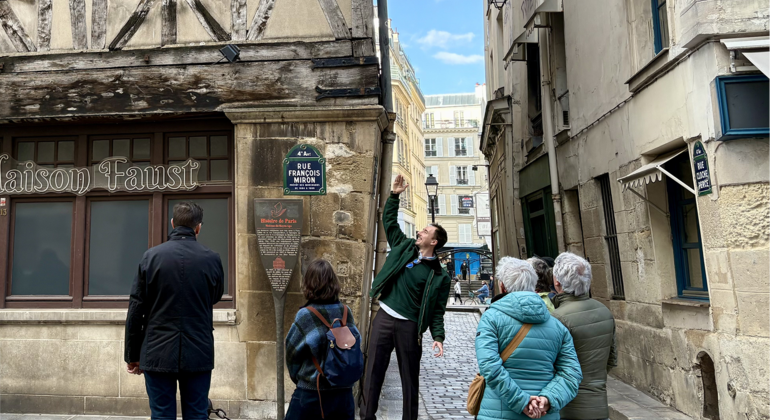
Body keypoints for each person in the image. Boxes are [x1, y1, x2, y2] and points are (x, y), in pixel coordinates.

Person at [362, 174, 451, 420]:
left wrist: (438, 336)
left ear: (434, 241)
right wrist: (394, 195)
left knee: (410, 378)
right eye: (421, 229)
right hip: (384, 316)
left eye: (425, 231)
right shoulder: (404, 247)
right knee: (373, 372)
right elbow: (389, 222)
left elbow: (437, 310)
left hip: (410, 327)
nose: (420, 232)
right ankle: (367, 415)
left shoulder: (439, 276)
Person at [124, 202, 225, 419]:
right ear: (198, 227)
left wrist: (132, 355)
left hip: (157, 351)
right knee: (197, 413)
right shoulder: (212, 259)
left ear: (172, 223)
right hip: (198, 350)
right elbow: (215, 297)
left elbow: (136, 309)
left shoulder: (150, 257)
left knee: (161, 414)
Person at [475, 256, 582, 420]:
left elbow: (490, 367)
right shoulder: (557, 326)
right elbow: (571, 373)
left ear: (502, 287)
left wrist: (522, 401)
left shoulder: (491, 319)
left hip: (499, 413)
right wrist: (547, 400)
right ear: (533, 285)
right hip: (543, 414)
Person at [285, 259, 361, 420]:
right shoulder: (345, 312)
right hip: (343, 394)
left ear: (308, 284)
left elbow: (292, 353)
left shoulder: (305, 315)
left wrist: (302, 379)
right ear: (334, 282)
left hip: (312, 393)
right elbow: (355, 344)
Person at [551, 252, 617, 420]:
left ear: (557, 281)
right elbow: (611, 359)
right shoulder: (604, 311)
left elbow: (549, 367)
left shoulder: (556, 318)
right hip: (599, 406)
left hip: (567, 409)